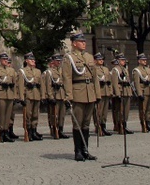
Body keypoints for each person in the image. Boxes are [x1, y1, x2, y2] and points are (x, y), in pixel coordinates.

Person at [62, 31, 101, 161]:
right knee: (77, 123)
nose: (84, 43)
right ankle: (77, 151)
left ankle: (85, 150)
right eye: (81, 41)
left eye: (84, 41)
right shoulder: (69, 58)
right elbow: (67, 78)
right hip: (78, 93)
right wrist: (68, 96)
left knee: (86, 124)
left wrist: (97, 94)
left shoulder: (89, 57)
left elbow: (94, 77)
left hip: (90, 93)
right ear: (74, 43)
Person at [0, 52, 18, 143]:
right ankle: (1, 132)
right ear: (0, 60)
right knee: (1, 116)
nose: (6, 61)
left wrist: (15, 96)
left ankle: (6, 132)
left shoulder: (12, 71)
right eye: (4, 59)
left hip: (10, 94)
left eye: (7, 59)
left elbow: (15, 84)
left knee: (8, 115)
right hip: (1, 95)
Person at [17, 52, 43, 142]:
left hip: (36, 95)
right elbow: (20, 85)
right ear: (26, 61)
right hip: (28, 95)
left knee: (35, 114)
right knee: (28, 115)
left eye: (33, 60)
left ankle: (34, 131)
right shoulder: (22, 71)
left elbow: (41, 85)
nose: (33, 61)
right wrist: (21, 98)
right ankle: (28, 131)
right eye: (31, 60)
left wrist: (42, 96)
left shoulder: (38, 71)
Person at [44, 54, 68, 139]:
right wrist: (50, 97)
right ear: (53, 61)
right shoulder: (49, 72)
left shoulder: (62, 71)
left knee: (62, 114)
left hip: (62, 95)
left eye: (60, 60)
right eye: (57, 60)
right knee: (54, 114)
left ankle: (61, 130)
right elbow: (48, 85)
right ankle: (54, 130)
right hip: (55, 95)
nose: (59, 62)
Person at [110, 53, 134, 134]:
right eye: (122, 60)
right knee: (120, 110)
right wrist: (117, 94)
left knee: (126, 110)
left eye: (124, 60)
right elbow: (115, 83)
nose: (124, 62)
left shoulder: (125, 69)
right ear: (118, 61)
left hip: (126, 91)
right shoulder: (115, 70)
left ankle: (125, 125)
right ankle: (120, 126)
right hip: (120, 91)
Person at [132, 53, 150, 133]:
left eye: (145, 60)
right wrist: (139, 94)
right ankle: (144, 125)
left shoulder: (148, 69)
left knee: (149, 109)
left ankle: (148, 123)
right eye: (143, 60)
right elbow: (137, 83)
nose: (145, 61)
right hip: (143, 91)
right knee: (143, 109)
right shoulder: (136, 70)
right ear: (139, 61)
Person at [93, 53, 113, 136]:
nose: (101, 61)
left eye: (102, 59)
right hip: (99, 92)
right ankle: (98, 127)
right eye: (99, 59)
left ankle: (103, 126)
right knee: (98, 112)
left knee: (105, 111)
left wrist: (110, 91)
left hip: (106, 92)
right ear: (95, 60)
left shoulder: (106, 69)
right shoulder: (94, 69)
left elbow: (109, 82)